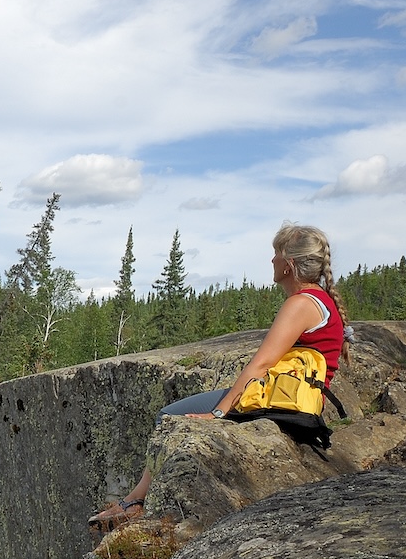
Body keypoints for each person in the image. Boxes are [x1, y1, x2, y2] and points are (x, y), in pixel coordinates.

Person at [89, 223, 348, 530]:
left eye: (276, 254)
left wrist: (219, 412)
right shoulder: (320, 300)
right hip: (295, 398)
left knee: (169, 415)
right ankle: (135, 501)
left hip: (284, 403)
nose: (272, 261)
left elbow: (262, 364)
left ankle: (135, 502)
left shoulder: (300, 304)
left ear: (289, 265)